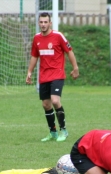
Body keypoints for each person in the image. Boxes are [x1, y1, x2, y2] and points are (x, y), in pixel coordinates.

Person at [26, 12, 79, 142]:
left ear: (50, 23)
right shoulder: (37, 38)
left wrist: (75, 68)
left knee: (55, 101)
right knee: (46, 104)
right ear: (38, 23)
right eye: (41, 22)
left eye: (46, 22)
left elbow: (69, 51)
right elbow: (34, 56)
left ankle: (64, 130)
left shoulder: (58, 36)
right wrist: (29, 72)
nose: (43, 25)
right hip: (44, 75)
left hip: (57, 74)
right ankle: (53, 132)